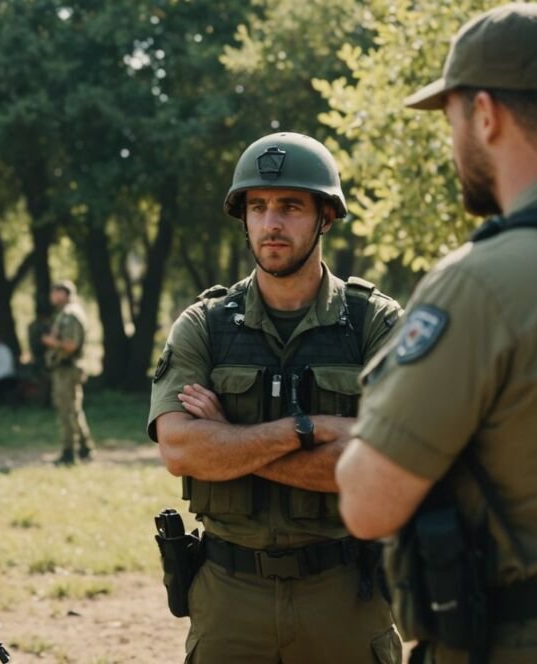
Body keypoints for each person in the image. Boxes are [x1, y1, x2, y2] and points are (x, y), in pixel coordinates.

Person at [337, 4, 537, 662]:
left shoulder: (480, 286)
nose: (451, 139)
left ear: (485, 114)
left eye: (451, 118)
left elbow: (368, 503)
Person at [148, 132, 403, 663]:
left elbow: (386, 464)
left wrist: (228, 446)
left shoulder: (373, 323)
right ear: (243, 219)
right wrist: (309, 429)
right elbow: (179, 451)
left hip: (344, 591)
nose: (272, 224)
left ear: (325, 217)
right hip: (229, 596)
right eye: (258, 207)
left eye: (290, 207)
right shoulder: (205, 325)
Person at [41, 280, 93, 465]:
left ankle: (69, 452)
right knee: (75, 410)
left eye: (55, 292)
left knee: (67, 411)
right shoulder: (68, 313)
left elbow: (71, 345)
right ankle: (86, 447)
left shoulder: (70, 315)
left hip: (67, 368)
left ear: (64, 293)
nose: (52, 296)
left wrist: (50, 342)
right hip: (68, 368)